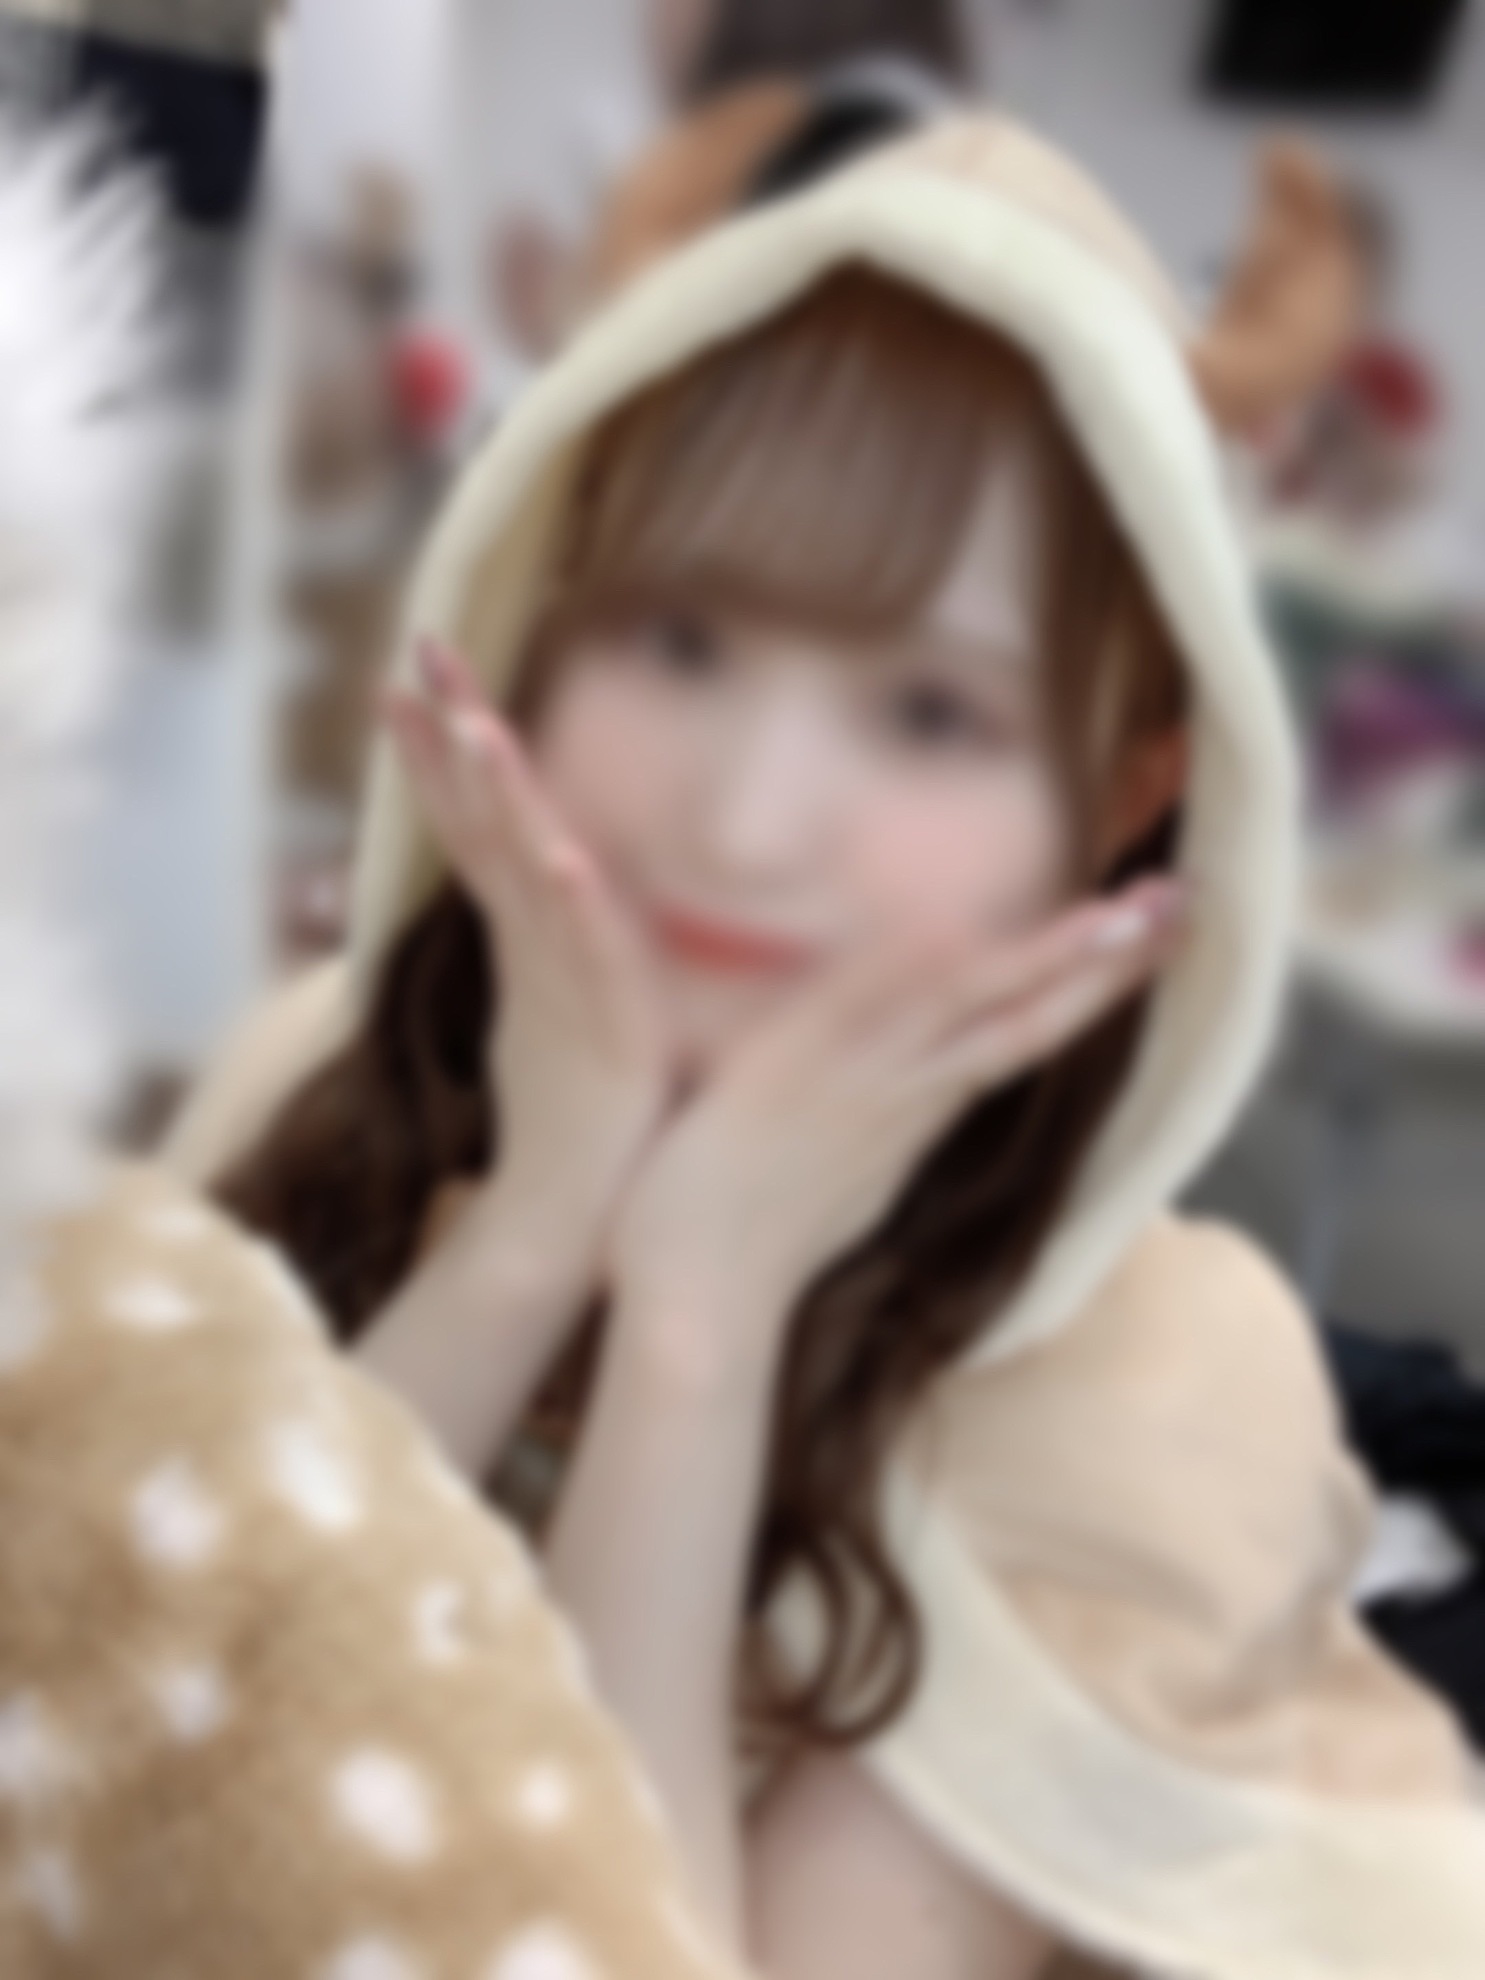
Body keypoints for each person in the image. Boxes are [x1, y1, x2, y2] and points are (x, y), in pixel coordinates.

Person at [167, 114, 1485, 1978]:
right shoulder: (315, 1071)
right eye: (679, 640)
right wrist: (532, 1232)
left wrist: (695, 1321)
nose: (745, 824)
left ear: (1127, 797)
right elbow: (89, 1760)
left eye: (929, 712)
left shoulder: (1147, 1397)